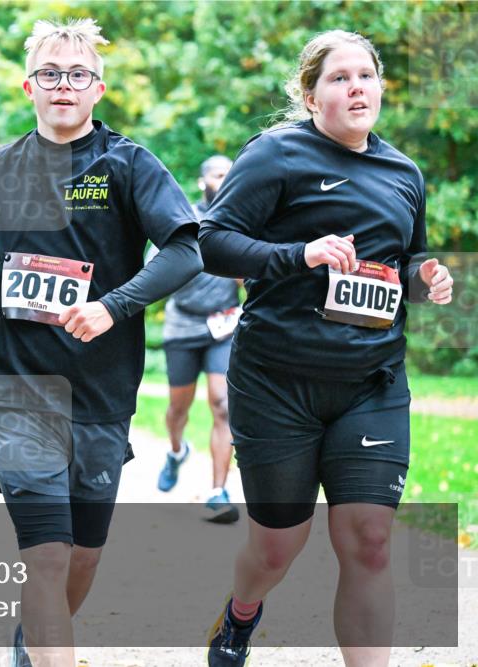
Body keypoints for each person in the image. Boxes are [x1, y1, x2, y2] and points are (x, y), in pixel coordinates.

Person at [0, 18, 203, 667]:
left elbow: (186, 250)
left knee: (83, 551)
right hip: (18, 385)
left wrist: (114, 307)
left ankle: (33, 641)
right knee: (49, 554)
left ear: (98, 88)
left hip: (102, 390)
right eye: (51, 73)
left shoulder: (127, 164)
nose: (64, 84)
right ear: (28, 85)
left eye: (77, 74)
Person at [198, 31, 454, 667]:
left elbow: (406, 258)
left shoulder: (403, 172)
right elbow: (211, 242)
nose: (357, 87)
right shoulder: (276, 155)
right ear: (311, 97)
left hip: (371, 383)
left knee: (369, 541)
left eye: (366, 75)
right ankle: (242, 612)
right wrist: (299, 255)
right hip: (276, 383)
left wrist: (427, 276)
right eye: (339, 78)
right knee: (276, 548)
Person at [145, 155, 241, 524]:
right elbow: (156, 270)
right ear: (204, 182)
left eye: (230, 175)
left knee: (222, 404)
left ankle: (218, 491)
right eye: (219, 174)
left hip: (223, 327)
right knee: (178, 410)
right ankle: (176, 450)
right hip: (182, 325)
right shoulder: (182, 219)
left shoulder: (240, 221)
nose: (225, 180)